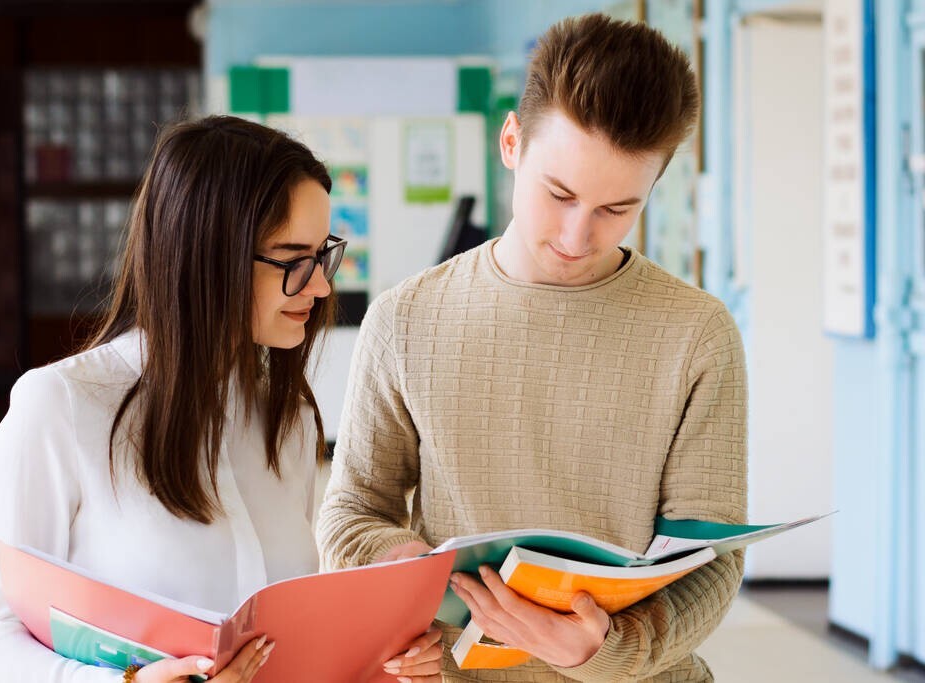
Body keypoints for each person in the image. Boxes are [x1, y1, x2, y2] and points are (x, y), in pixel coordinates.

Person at [317, 14, 747, 683]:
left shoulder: (698, 333)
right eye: (560, 193)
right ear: (511, 141)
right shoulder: (405, 319)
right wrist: (404, 577)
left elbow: (713, 560)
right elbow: (352, 512)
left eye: (616, 209)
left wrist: (607, 646)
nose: (577, 236)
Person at [0, 116, 443, 682]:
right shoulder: (60, 408)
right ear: (208, 256)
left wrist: (381, 658)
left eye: (323, 256)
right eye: (293, 260)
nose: (320, 286)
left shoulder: (287, 421)